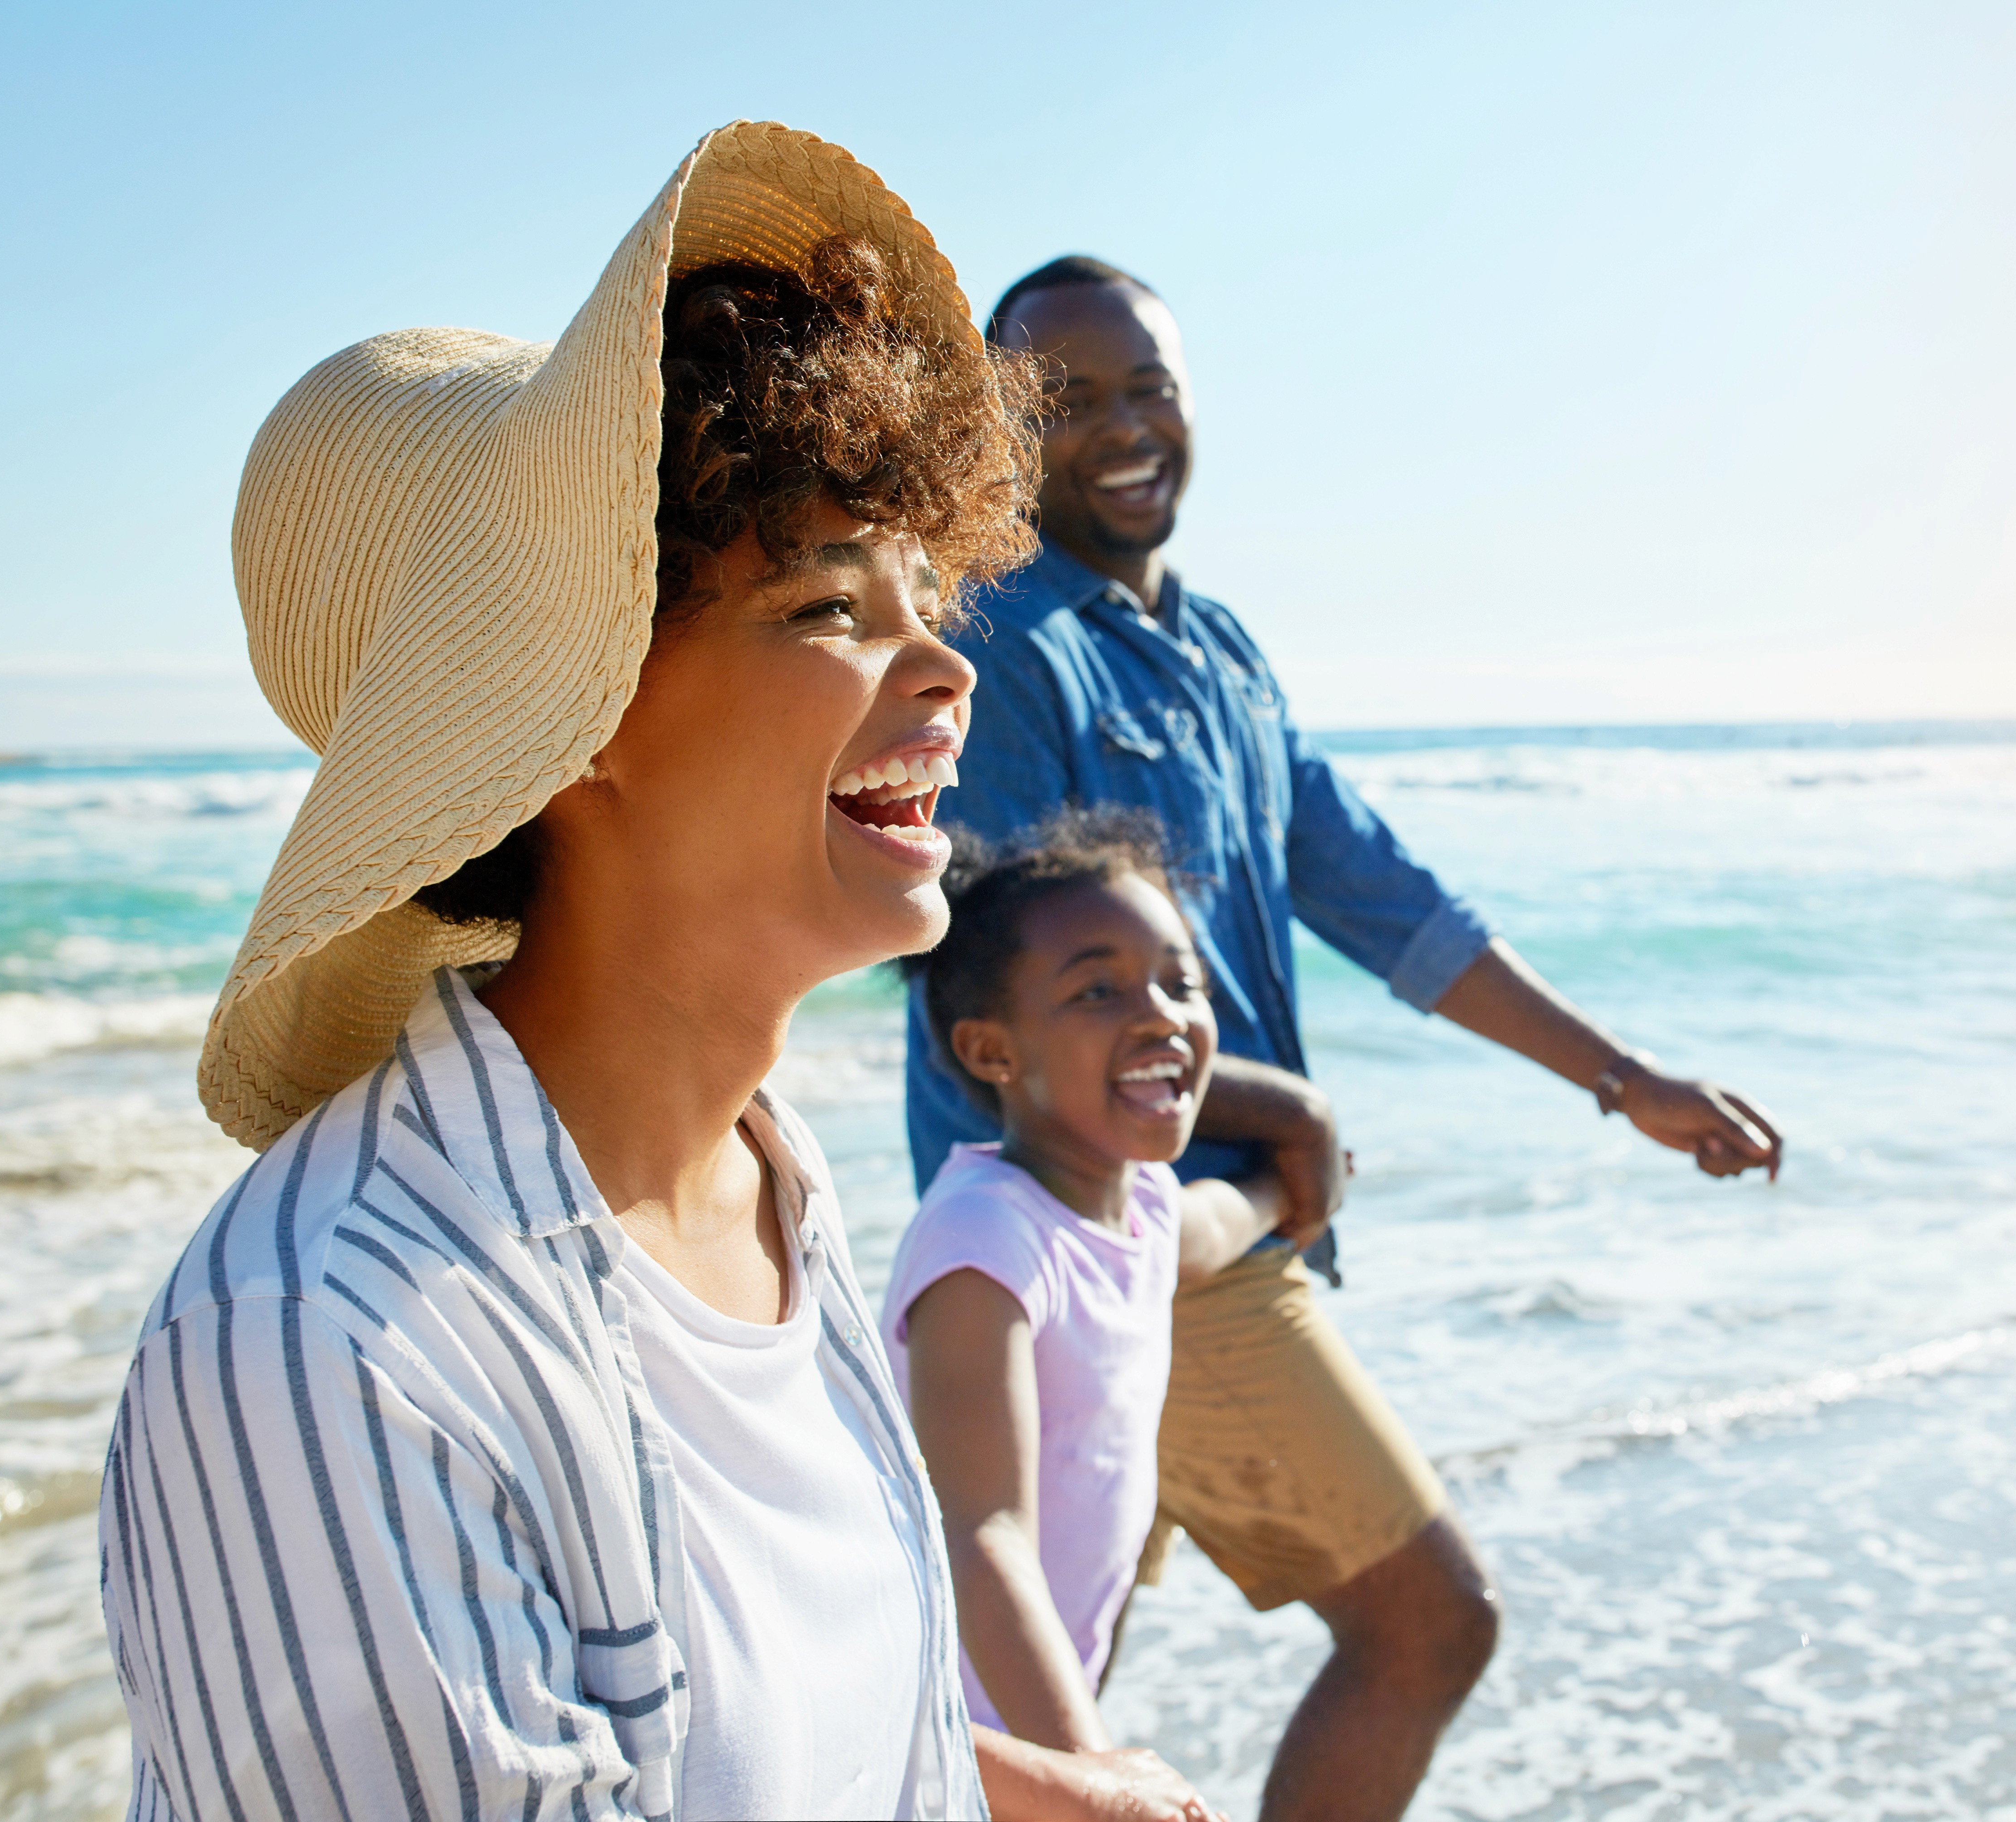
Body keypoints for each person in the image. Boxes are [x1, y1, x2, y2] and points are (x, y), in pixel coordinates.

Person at [97, 126, 1214, 1822]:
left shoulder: (770, 1189)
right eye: (830, 606)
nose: (943, 665)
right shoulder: (328, 1343)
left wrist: (1018, 1788)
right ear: (571, 720)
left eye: (929, 591)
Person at [904, 254, 1787, 1822]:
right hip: (1119, 1239)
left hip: (1213, 1221)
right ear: (1000, 431)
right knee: (1426, 1618)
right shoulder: (1007, 650)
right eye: (1072, 397)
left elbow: (1380, 893)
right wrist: (1291, 1113)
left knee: (1049, 1679)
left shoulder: (1225, 650)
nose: (1125, 425)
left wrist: (1618, 1076)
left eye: (1152, 385)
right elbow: (1019, 996)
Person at [882, 809, 1280, 1763]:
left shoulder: (1134, 1203)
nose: (1162, 1013)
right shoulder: (987, 1242)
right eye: (1098, 990)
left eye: (1180, 980)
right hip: (951, 1738)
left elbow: (1204, 1230)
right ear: (992, 1052)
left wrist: (1282, 1189)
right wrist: (1089, 1773)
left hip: (1033, 1706)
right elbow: (984, 1534)